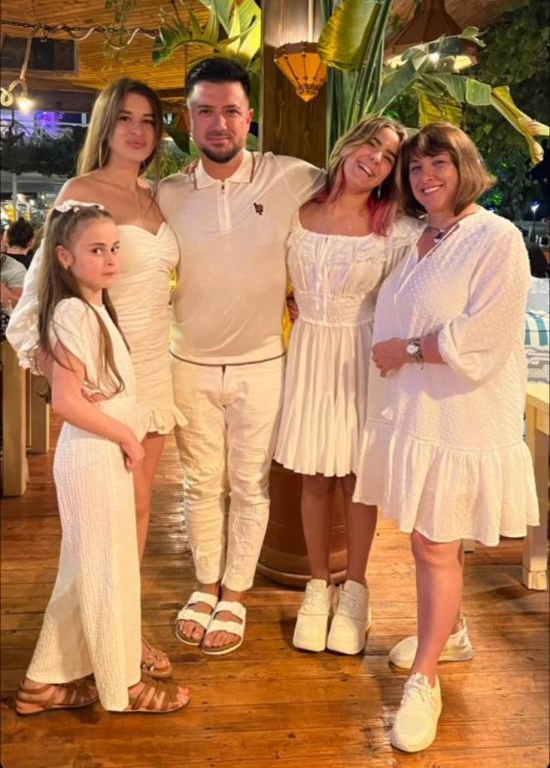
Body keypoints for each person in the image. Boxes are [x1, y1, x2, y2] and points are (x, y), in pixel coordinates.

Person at [354, 124, 539, 753]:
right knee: (432, 536)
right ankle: (450, 633)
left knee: (434, 542)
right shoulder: (419, 237)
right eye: (414, 168)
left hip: (463, 415)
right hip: (420, 414)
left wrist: (405, 350)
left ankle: (425, 677)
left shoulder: (495, 237)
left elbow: (485, 334)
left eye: (439, 163)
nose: (425, 176)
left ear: (464, 167)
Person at [6, 78, 184, 679]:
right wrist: (64, 369)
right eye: (125, 118)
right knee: (105, 517)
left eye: (148, 120)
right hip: (106, 373)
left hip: (154, 367)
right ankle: (94, 645)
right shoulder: (80, 193)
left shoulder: (158, 197)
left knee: (139, 510)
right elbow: (40, 294)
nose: (138, 130)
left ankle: (123, 630)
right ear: (105, 126)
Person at [158, 58, 325, 655]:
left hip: (263, 363)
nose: (219, 123)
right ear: (188, 119)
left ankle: (236, 593)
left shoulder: (291, 176)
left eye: (231, 111)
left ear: (249, 116)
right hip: (189, 362)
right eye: (205, 111)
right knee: (201, 484)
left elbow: (358, 194)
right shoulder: (168, 194)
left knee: (252, 487)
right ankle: (206, 584)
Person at [274, 117, 421, 655]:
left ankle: (355, 590)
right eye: (371, 144)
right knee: (314, 475)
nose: (375, 159)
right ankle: (319, 587)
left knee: (359, 478)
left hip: (361, 354)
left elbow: (415, 295)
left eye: (389, 157)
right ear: (349, 145)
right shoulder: (295, 212)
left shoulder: (398, 230)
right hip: (308, 350)